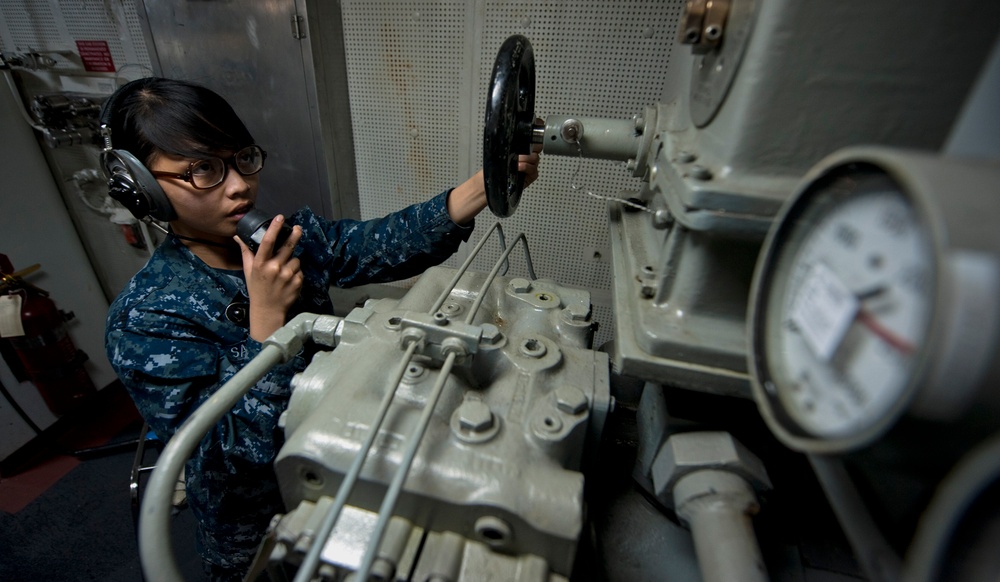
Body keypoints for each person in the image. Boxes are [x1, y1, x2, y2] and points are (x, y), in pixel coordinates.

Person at [103, 77, 539, 581]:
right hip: (257, 528)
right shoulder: (147, 318)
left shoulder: (285, 240)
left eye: (243, 157)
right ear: (144, 187)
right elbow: (224, 456)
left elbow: (379, 243)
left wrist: (482, 185)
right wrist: (266, 325)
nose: (239, 183)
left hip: (336, 469)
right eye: (203, 169)